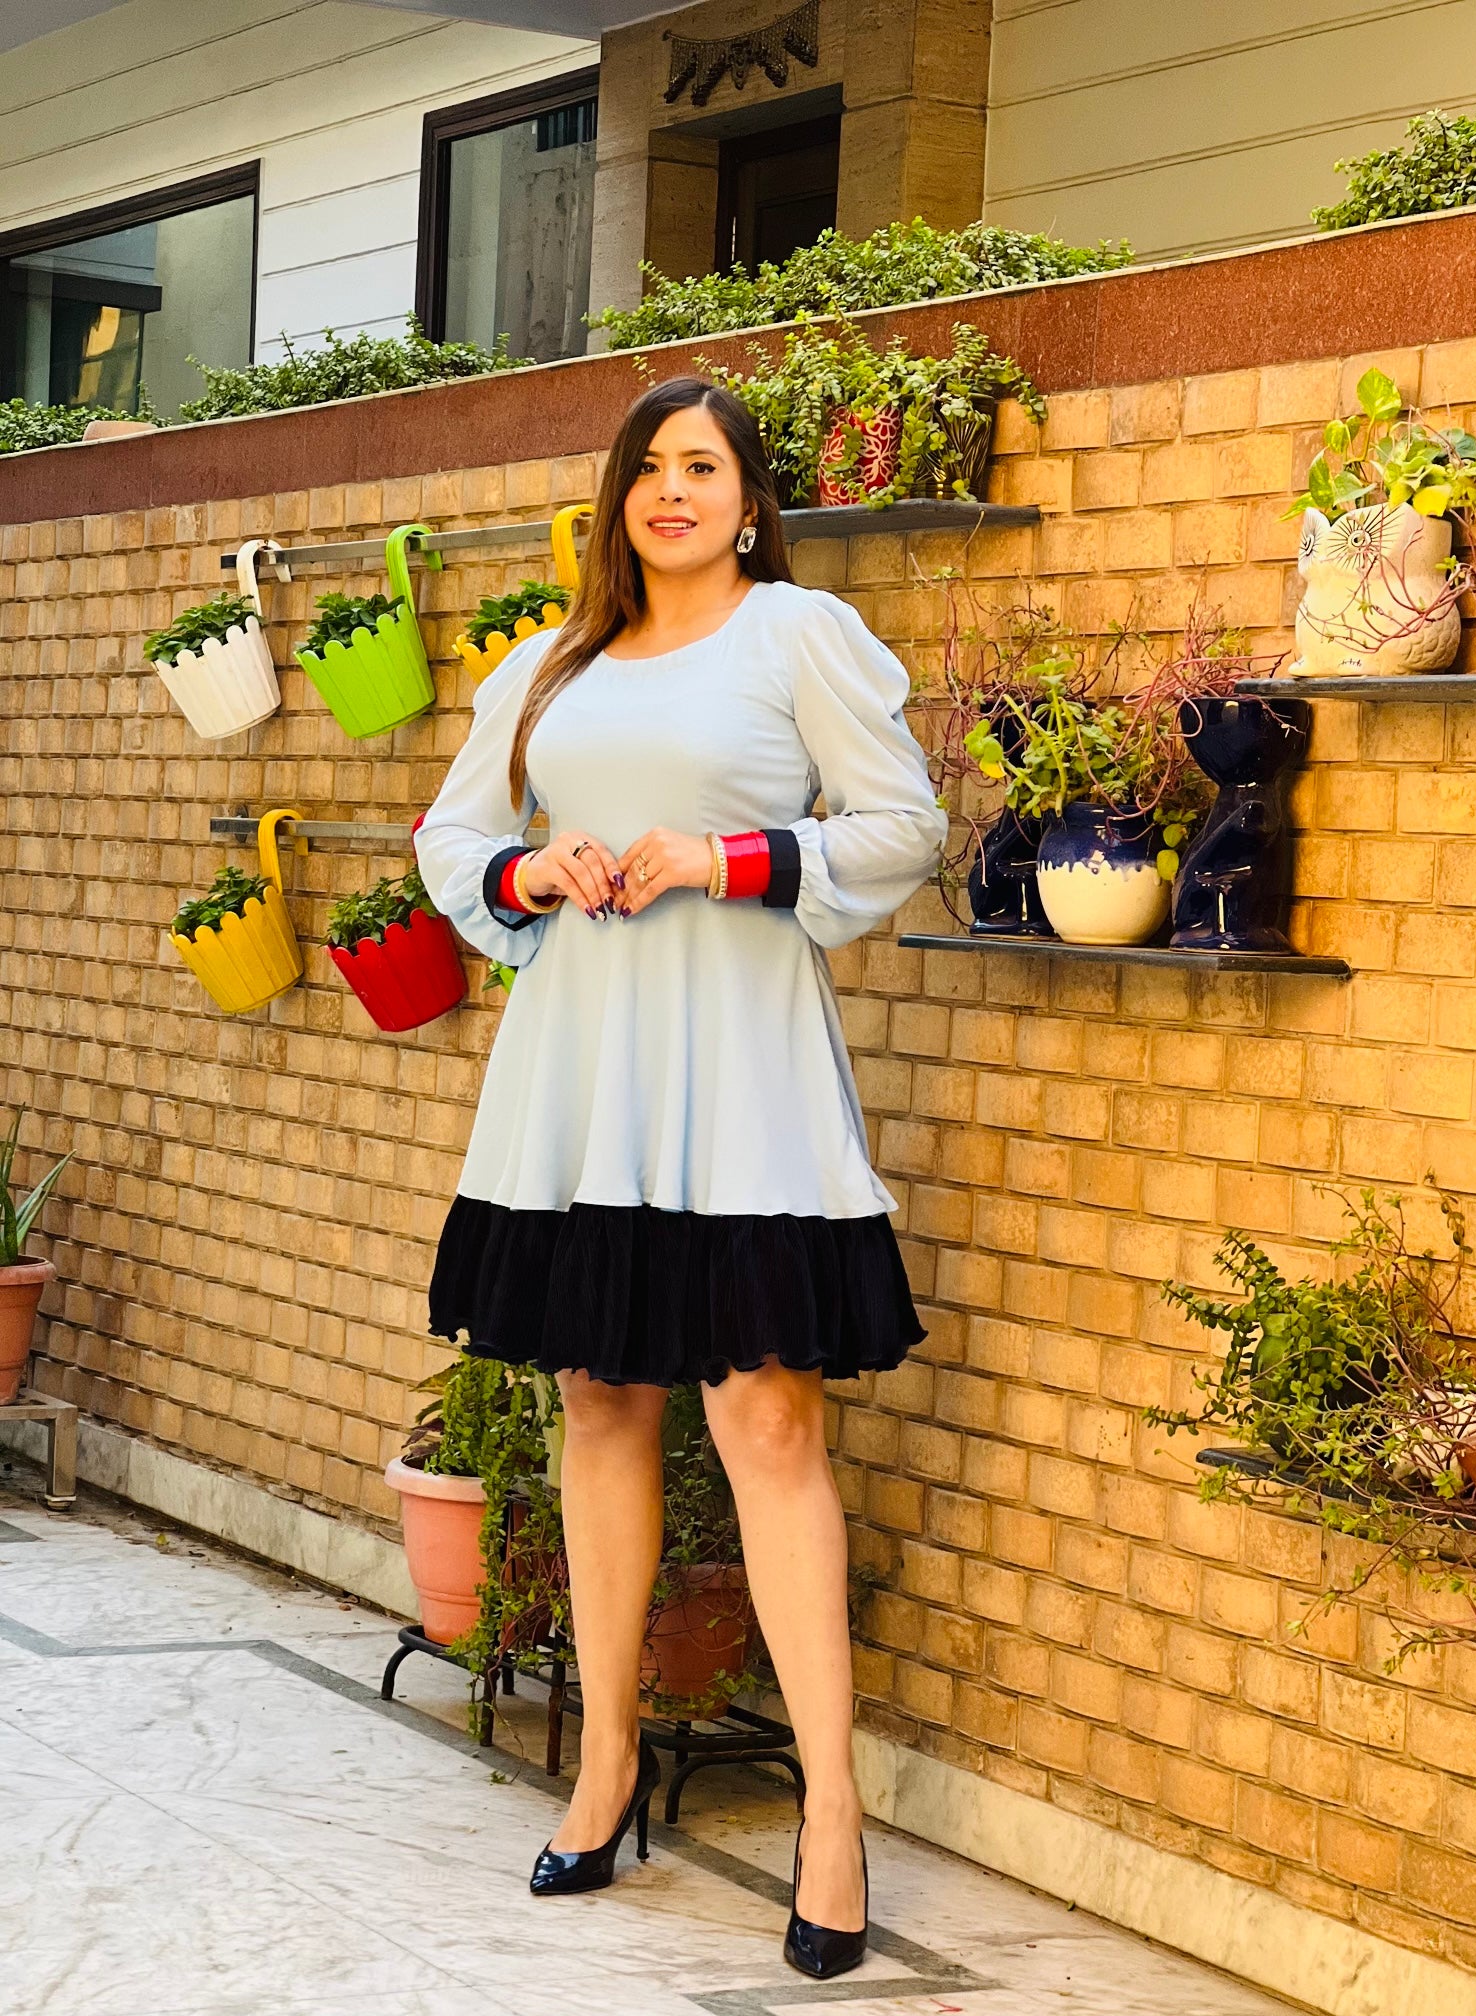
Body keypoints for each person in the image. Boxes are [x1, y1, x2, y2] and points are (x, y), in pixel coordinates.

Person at [414, 375, 947, 1981]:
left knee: (769, 1413)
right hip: (585, 1076)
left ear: (746, 493)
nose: (671, 493)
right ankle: (601, 1767)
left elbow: (902, 825)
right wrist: (537, 864)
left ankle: (834, 1819)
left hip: (744, 1073)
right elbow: (453, 845)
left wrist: (730, 859)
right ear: (615, 496)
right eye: (647, 469)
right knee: (598, 1399)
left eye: (700, 467)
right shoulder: (546, 665)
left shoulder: (799, 637)